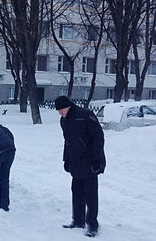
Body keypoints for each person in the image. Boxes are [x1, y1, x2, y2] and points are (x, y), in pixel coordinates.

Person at [54, 96, 106, 238]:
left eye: (61, 110)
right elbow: (67, 142)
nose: (60, 113)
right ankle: (78, 220)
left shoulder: (85, 115)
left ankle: (92, 225)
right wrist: (66, 160)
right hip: (76, 162)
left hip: (90, 161)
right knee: (76, 192)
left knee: (91, 195)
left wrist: (97, 160)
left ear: (68, 106)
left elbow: (98, 138)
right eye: (58, 111)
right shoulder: (64, 120)